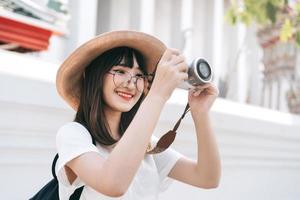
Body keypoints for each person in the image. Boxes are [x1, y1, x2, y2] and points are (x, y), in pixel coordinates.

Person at [55, 30, 221, 200]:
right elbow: (112, 184)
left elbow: (207, 177)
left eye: (139, 75)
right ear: (93, 76)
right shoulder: (73, 135)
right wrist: (157, 95)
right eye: (120, 71)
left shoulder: (147, 145)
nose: (131, 84)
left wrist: (201, 113)